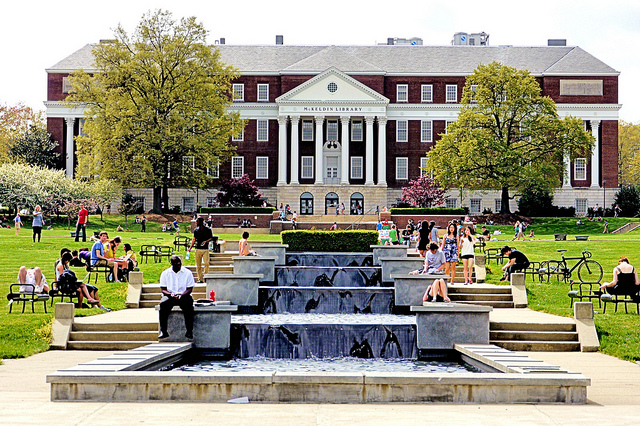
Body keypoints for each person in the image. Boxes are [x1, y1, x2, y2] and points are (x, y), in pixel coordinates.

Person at [158, 255, 195, 339]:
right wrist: (171, 295)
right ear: (171, 263)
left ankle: (189, 331)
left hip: (184, 295)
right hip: (170, 296)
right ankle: (164, 331)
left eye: (179, 262)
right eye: (176, 262)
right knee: (163, 306)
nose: (178, 264)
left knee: (189, 306)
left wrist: (182, 295)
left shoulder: (187, 273)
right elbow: (163, 289)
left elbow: (189, 289)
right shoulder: (165, 273)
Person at [188, 217, 214, 283]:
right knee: (198, 265)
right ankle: (200, 279)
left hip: (205, 249)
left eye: (197, 221)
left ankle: (206, 276)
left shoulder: (208, 229)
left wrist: (206, 241)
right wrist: (190, 247)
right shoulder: (196, 230)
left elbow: (211, 238)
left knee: (206, 263)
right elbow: (194, 239)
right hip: (197, 249)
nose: (196, 223)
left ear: (201, 222)